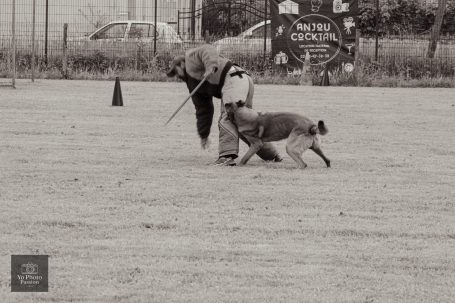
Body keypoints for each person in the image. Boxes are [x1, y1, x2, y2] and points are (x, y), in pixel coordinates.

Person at [166, 44, 281, 166]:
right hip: (241, 79)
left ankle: (226, 156)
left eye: (175, 71)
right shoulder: (193, 85)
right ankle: (271, 155)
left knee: (228, 116)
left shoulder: (189, 58)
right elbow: (203, 110)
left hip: (233, 79)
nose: (176, 76)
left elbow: (207, 49)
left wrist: (210, 66)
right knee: (243, 122)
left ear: (181, 64)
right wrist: (204, 134)